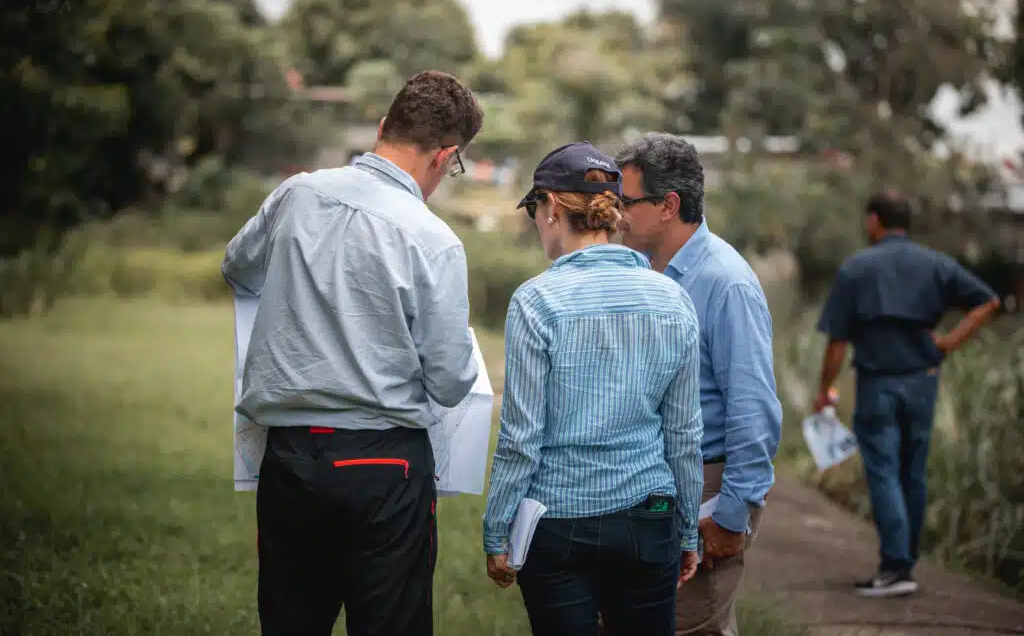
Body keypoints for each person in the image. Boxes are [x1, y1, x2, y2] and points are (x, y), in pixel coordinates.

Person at [221, 70, 484, 636]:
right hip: (382, 459)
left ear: (385, 126)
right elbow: (450, 382)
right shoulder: (434, 238)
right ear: (446, 156)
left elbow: (237, 266)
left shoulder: (296, 193)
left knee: (292, 622)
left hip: (289, 454)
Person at [482, 141, 705, 636]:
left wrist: (497, 530)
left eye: (535, 211)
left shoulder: (536, 301)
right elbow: (685, 434)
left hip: (558, 523)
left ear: (553, 208)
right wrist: (688, 528)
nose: (537, 224)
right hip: (651, 516)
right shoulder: (674, 299)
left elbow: (522, 438)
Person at [614, 132, 783, 636]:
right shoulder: (643, 271)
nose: (616, 213)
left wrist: (733, 515)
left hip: (707, 484)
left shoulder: (725, 281)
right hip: (650, 481)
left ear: (669, 205)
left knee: (694, 625)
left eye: (627, 202)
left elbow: (753, 408)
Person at [814, 189, 1000, 598]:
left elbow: (837, 343)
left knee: (883, 472)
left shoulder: (858, 268)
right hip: (923, 381)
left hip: (879, 383)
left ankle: (896, 567)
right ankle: (906, 564)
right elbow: (988, 302)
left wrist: (824, 390)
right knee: (912, 473)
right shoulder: (935, 264)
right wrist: (948, 343)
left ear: (874, 221)